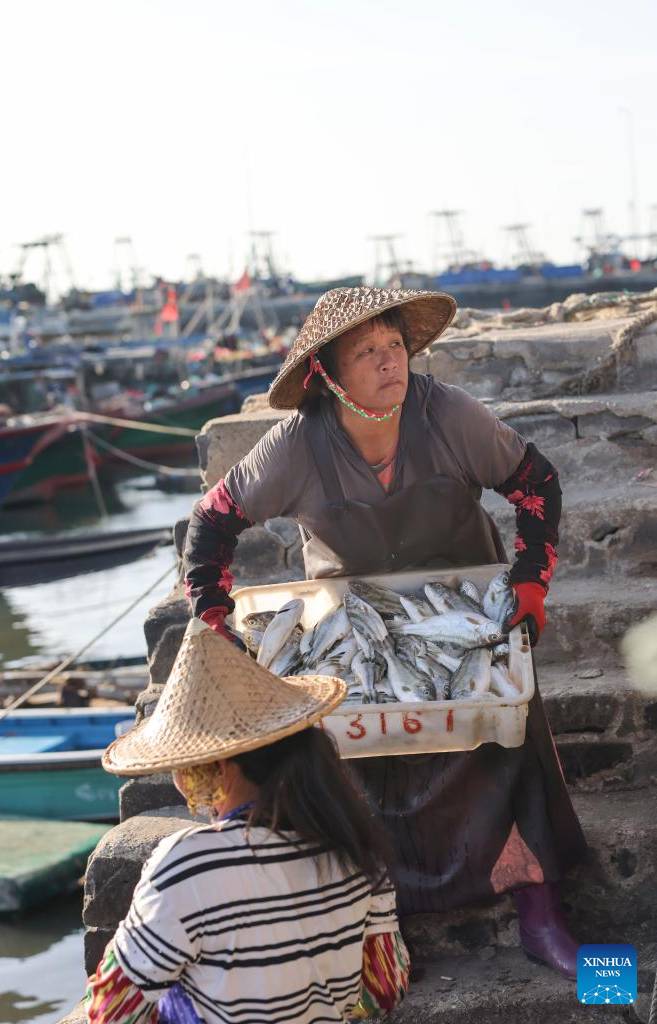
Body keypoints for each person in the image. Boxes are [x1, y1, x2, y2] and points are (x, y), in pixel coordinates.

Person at [183, 285, 589, 981]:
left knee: (504, 725)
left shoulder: (448, 415)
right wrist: (213, 618)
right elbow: (212, 523)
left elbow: (534, 483)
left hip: (457, 607)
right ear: (327, 376)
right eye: (365, 352)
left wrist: (529, 579)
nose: (387, 362)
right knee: (351, 754)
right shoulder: (295, 446)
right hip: (351, 620)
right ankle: (374, 920)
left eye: (394, 346)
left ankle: (536, 902)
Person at [86, 619, 409, 1024]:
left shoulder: (186, 864)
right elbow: (383, 989)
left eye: (182, 763)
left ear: (216, 767)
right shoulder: (356, 844)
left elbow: (111, 1012)